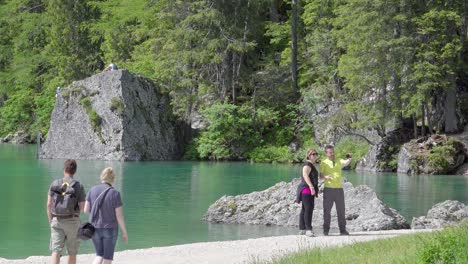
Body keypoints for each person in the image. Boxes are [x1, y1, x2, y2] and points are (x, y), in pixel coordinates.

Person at [85, 167, 128, 264]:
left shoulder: (92, 190)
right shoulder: (115, 193)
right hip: (110, 228)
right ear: (113, 179)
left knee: (99, 255)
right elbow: (119, 215)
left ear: (102, 177)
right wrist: (124, 232)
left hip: (94, 227)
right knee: (107, 257)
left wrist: (96, 215)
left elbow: (86, 210)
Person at [47, 159, 86, 264]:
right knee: (72, 252)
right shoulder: (78, 186)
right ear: (75, 171)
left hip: (56, 220)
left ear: (64, 169)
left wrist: (51, 220)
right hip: (72, 221)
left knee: (56, 251)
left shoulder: (55, 183)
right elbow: (82, 208)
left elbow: (49, 205)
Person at [320, 145, 352, 236]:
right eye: (330, 152)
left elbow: (346, 162)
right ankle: (326, 230)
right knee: (327, 211)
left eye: (333, 152)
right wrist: (326, 177)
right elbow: (320, 176)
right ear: (326, 153)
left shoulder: (339, 160)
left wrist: (350, 158)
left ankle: (343, 230)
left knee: (341, 211)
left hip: (339, 190)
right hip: (328, 190)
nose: (332, 153)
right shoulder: (323, 162)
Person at [295, 149, 319, 237]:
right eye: (313, 154)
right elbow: (305, 175)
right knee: (308, 209)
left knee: (305, 209)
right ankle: (308, 230)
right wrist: (311, 187)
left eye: (316, 154)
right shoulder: (308, 164)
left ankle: (302, 229)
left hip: (306, 189)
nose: (315, 155)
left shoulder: (311, 164)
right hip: (306, 189)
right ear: (308, 155)